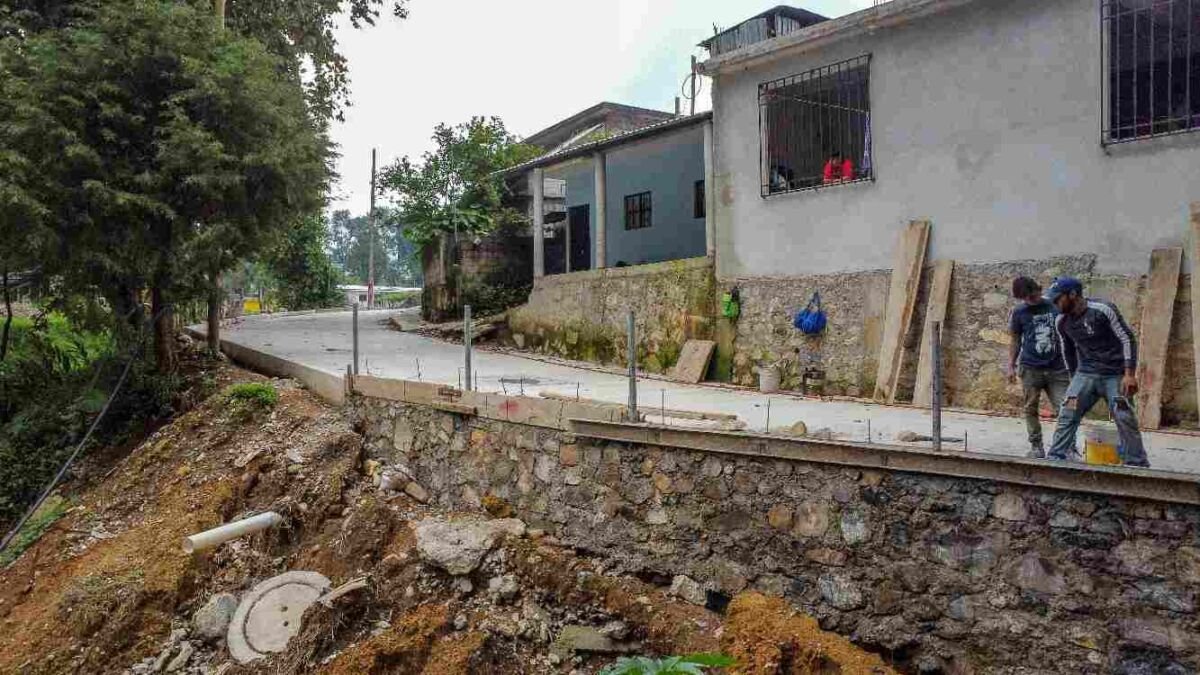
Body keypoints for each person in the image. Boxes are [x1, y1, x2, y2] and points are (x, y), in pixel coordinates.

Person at [1045, 277, 1150, 467]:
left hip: (1115, 374)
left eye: (1057, 299)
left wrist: (1129, 374)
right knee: (1067, 411)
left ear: (1073, 295)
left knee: (1123, 416)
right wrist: (1073, 380)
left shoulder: (1103, 310)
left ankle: (1136, 463)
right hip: (1086, 373)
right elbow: (1067, 350)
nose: (1055, 304)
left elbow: (1127, 339)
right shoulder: (1061, 320)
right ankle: (1056, 457)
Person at [1007, 276, 1070, 458]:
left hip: (1057, 368)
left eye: (1032, 297)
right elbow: (1015, 339)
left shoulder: (1055, 307)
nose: (1030, 301)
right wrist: (1010, 365)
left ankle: (1065, 448)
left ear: (1040, 290)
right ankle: (1036, 446)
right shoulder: (1019, 312)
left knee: (1066, 410)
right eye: (1025, 299)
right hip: (1030, 368)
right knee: (1030, 408)